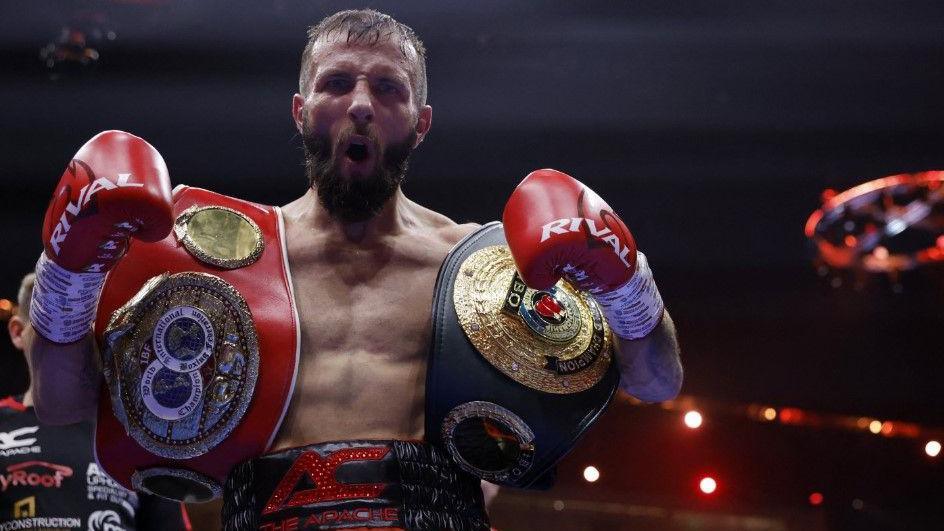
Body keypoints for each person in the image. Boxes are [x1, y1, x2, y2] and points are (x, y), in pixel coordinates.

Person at [25, 9, 682, 531]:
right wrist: (67, 277)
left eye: (387, 87)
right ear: (301, 109)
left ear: (420, 123)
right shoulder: (206, 261)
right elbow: (62, 402)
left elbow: (658, 381)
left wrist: (628, 284)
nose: (362, 103)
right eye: (338, 82)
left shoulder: (484, 270)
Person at [3, 273, 191, 531]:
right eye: (52, 324)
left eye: (85, 322)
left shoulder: (136, 435)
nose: (71, 338)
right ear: (18, 332)